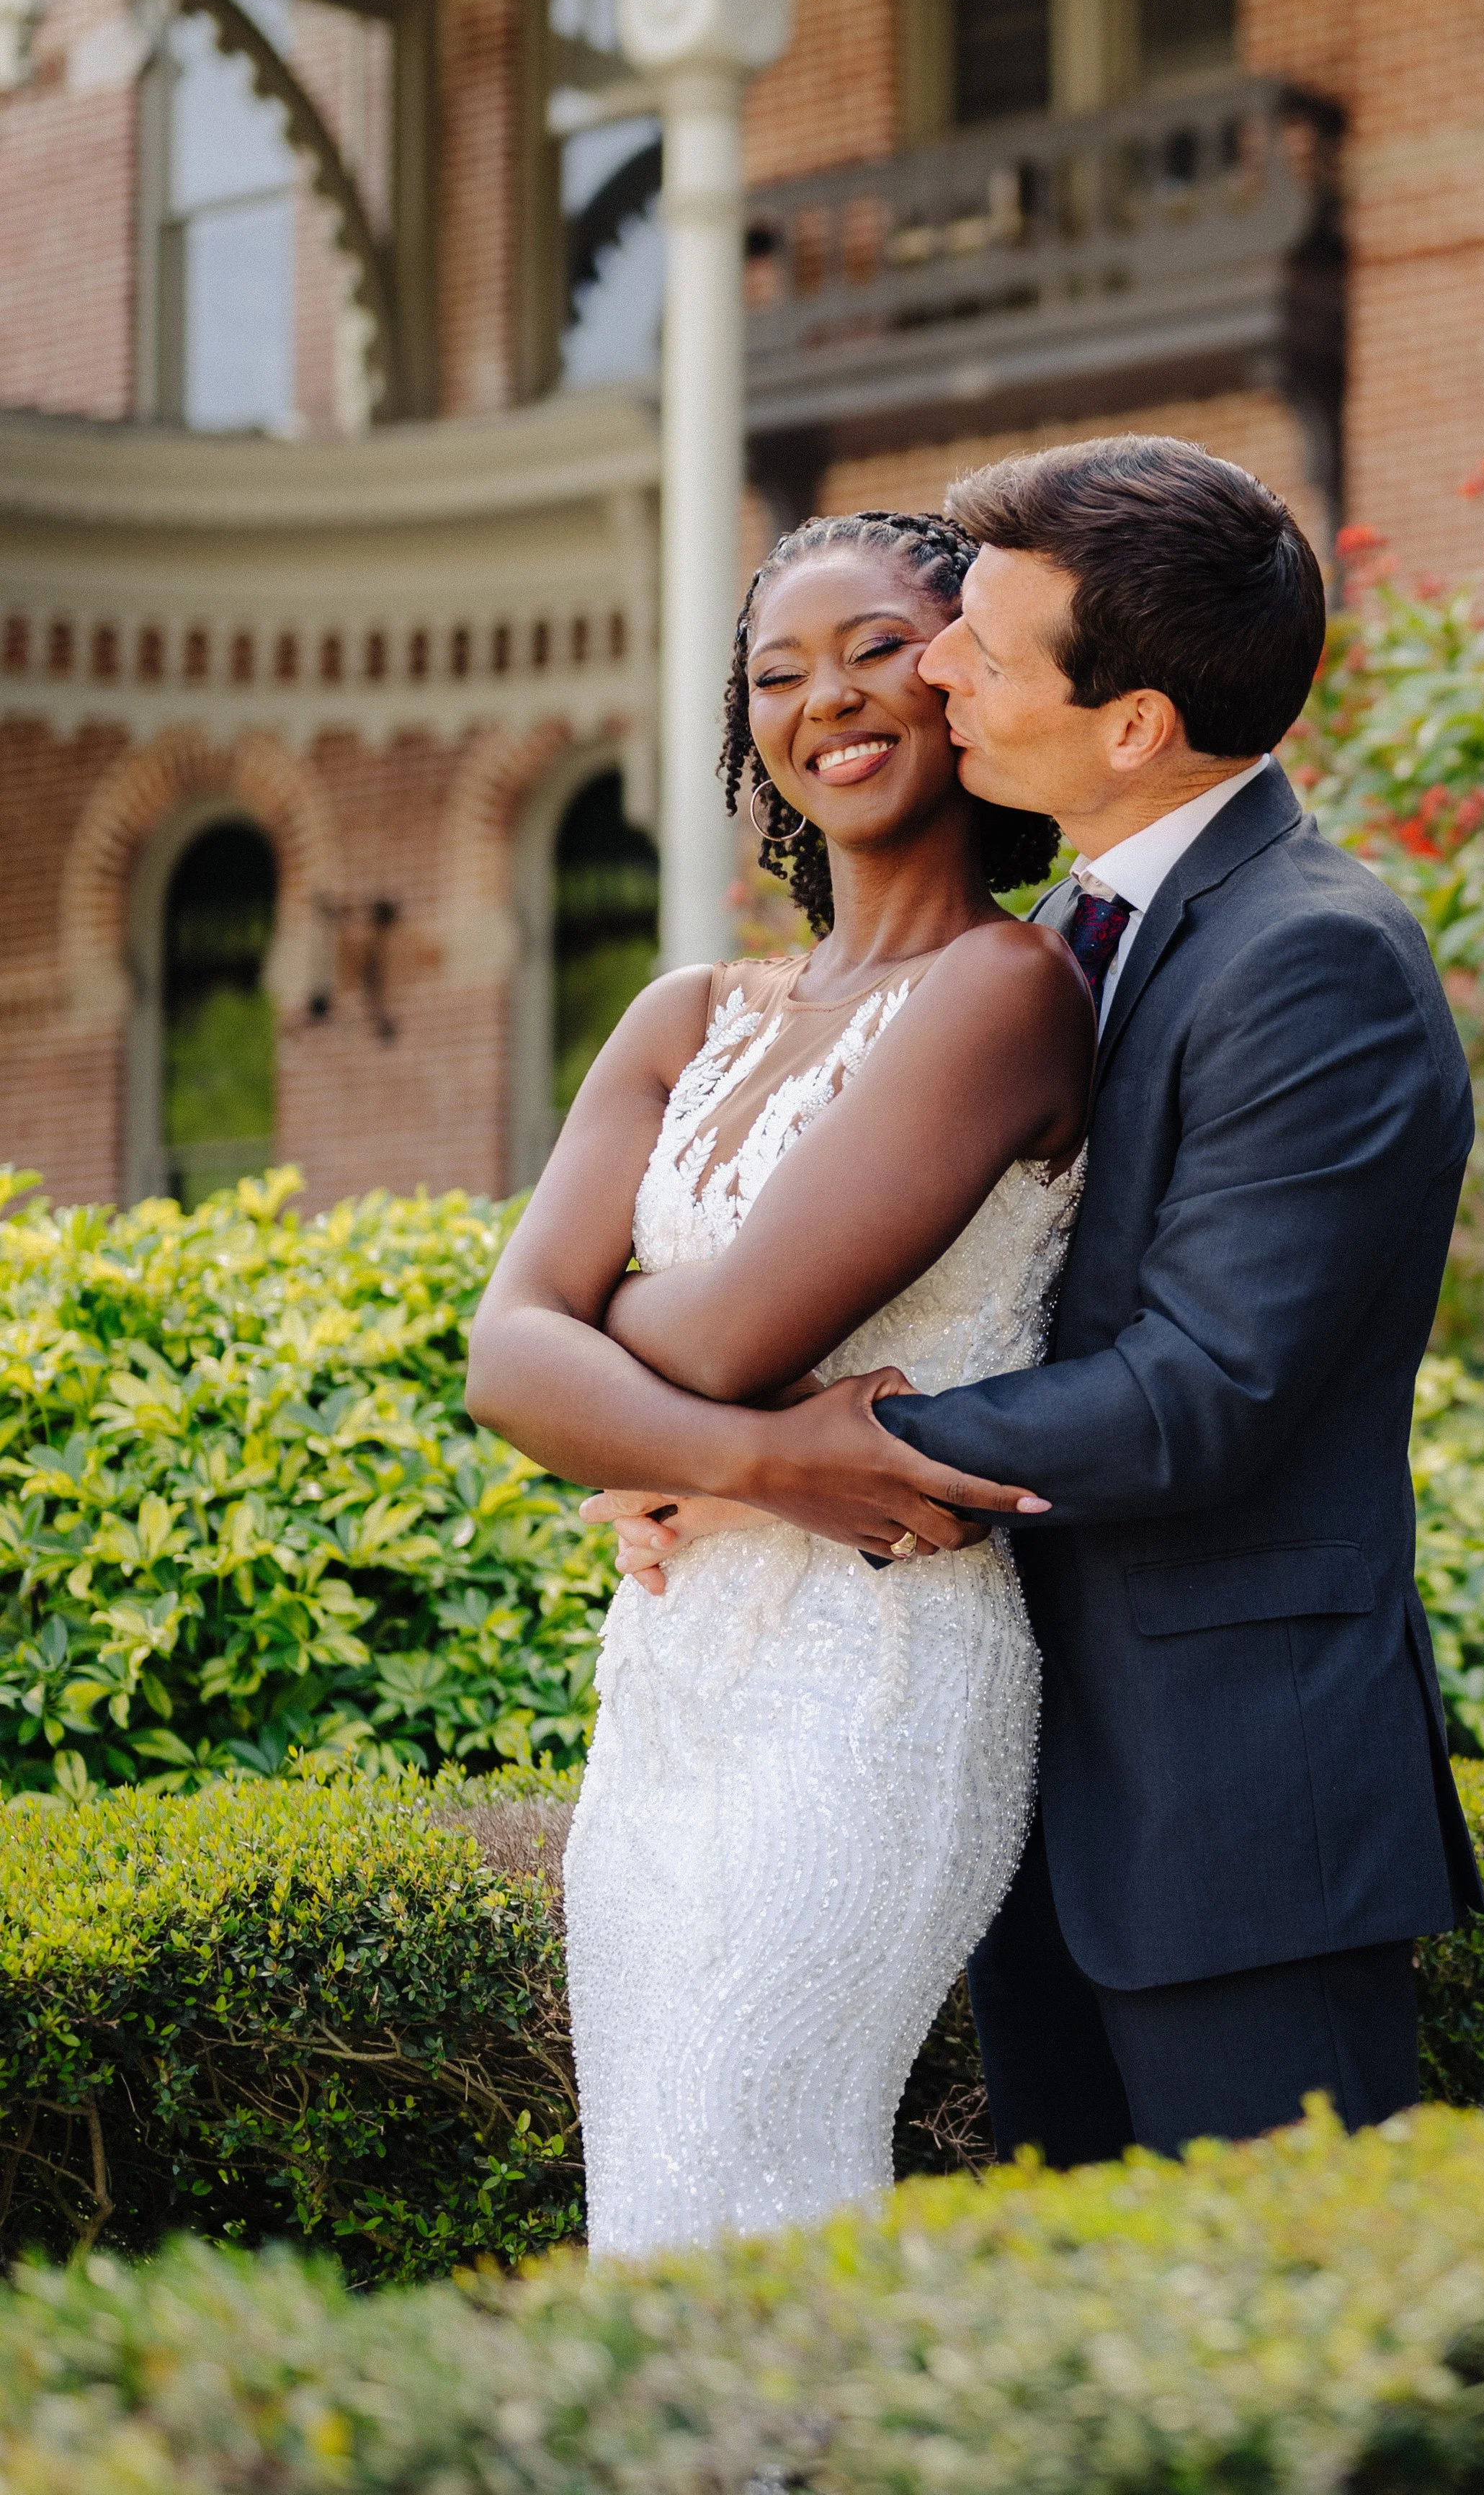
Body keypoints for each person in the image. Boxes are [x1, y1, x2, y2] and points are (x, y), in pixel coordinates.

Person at [596, 435, 1484, 2170]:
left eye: (978, 651)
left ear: (1132, 723)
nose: (932, 669)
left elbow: (1199, 1390)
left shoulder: (1314, 954)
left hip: (1235, 1815)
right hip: (1027, 1778)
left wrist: (797, 1457)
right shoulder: (1069, 934)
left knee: (1284, 2361)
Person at [466, 508, 1094, 2256]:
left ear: (960, 673)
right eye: (776, 670)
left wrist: (625, 1393)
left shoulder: (1006, 987)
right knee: (656, 2198)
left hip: (873, 1677)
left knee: (762, 2167)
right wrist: (760, 1462)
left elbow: (704, 1328)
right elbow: (497, 1353)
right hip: (667, 1682)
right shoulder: (685, 1018)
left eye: (878, 646)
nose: (828, 696)